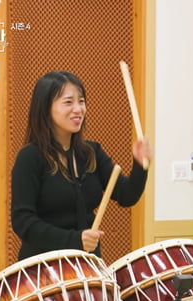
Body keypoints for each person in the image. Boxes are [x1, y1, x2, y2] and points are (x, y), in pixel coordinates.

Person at [11, 70, 152, 261]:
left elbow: (126, 195)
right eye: (68, 102)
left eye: (81, 101)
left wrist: (140, 165)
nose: (78, 109)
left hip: (87, 265)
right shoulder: (30, 157)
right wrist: (75, 240)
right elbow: (23, 222)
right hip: (42, 269)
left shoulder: (91, 153)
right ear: (45, 108)